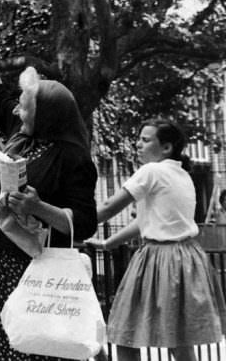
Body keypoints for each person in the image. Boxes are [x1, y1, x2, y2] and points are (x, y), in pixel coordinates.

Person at [0, 13, 98, 361]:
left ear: (47, 115)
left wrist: (38, 207)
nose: (18, 112)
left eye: (26, 107)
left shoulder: (73, 157)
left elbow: (85, 220)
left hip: (28, 267)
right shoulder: (23, 135)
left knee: (23, 344)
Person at [84, 120, 226, 361]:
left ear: (167, 147)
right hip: (187, 258)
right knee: (180, 341)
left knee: (124, 334)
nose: (138, 144)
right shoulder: (181, 174)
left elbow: (108, 208)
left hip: (160, 258)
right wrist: (109, 243)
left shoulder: (152, 171)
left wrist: (70, 221)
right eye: (139, 139)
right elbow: (145, 221)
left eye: (146, 140)